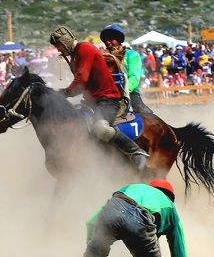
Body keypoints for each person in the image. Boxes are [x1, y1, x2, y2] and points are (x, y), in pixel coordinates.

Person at [49, 26, 149, 171]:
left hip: (110, 98)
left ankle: (136, 152)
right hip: (94, 100)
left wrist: (64, 93)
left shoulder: (85, 50)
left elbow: (82, 78)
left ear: (65, 42)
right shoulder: (80, 54)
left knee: (100, 128)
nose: (58, 50)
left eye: (58, 45)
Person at [99, 24, 154, 115]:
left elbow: (134, 77)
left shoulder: (132, 55)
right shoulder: (102, 57)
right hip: (107, 95)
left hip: (129, 93)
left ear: (119, 39)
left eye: (111, 39)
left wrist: (124, 90)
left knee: (147, 116)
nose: (108, 42)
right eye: (105, 40)